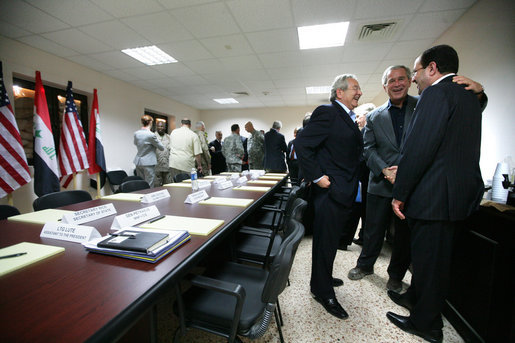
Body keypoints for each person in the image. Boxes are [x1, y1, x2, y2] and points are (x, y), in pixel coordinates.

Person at [348, 65, 488, 293]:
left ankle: (396, 275)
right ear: (385, 87)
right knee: (373, 229)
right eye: (391, 81)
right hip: (381, 183)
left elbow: (462, 115)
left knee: (404, 235)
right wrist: (386, 171)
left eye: (401, 78)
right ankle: (365, 265)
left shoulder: (425, 103)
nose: (397, 84)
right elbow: (368, 149)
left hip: (414, 184)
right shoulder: (373, 117)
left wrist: (480, 93)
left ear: (409, 81)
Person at [387, 45, 484, 343]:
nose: (414, 79)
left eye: (415, 72)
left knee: (430, 263)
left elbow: (420, 148)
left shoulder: (435, 94)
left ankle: (426, 323)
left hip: (433, 196)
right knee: (432, 258)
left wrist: (399, 192)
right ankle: (415, 297)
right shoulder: (471, 96)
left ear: (432, 68)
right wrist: (482, 91)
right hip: (455, 196)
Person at [295, 74, 363, 320]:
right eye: (355, 88)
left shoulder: (347, 117)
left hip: (343, 190)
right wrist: (317, 177)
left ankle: (320, 279)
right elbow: (302, 144)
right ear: (340, 93)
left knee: (329, 241)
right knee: (325, 242)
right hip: (330, 191)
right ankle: (323, 292)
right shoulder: (328, 112)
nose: (359, 92)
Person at [339, 105, 374, 250]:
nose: (358, 119)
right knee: (364, 211)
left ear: (368, 116)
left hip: (362, 176)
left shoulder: (367, 132)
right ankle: (363, 238)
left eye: (360, 116)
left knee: (355, 209)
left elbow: (363, 155)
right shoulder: (366, 131)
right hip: (366, 176)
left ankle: (343, 241)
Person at [133, 114, 164, 187]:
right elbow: (161, 148)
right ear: (150, 122)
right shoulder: (151, 135)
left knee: (140, 184)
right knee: (149, 184)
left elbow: (135, 143)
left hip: (138, 161)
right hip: (148, 162)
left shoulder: (136, 133)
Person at [154, 120, 172, 186]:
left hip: (167, 165)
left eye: (162, 126)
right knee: (156, 187)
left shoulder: (168, 137)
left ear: (165, 127)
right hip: (156, 166)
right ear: (156, 127)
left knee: (168, 186)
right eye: (159, 126)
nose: (160, 128)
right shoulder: (153, 136)